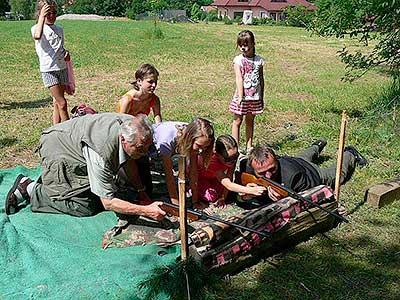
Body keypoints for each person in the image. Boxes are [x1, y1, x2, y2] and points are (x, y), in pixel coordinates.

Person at [5, 113, 166, 220]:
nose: (145, 152)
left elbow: (130, 159)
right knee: (84, 206)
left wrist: (141, 191)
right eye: (140, 148)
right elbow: (108, 203)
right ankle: (30, 188)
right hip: (58, 150)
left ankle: (54, 182)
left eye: (147, 147)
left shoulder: (134, 126)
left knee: (135, 166)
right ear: (123, 140)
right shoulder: (101, 152)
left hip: (77, 141)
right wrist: (145, 210)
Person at [240, 139, 368, 202]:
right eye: (262, 173)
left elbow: (307, 200)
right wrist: (245, 194)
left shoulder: (295, 177)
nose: (268, 175)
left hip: (313, 173)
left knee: (337, 175)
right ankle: (317, 146)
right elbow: (236, 193)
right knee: (303, 157)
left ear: (276, 160)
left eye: (272, 169)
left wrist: (283, 200)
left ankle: (350, 153)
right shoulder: (247, 165)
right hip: (295, 160)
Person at [150, 118, 215, 208]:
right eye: (199, 146)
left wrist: (195, 202)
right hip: (151, 148)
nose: (201, 150)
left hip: (174, 149)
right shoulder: (166, 141)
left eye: (205, 147)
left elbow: (194, 172)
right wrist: (177, 206)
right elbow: (169, 176)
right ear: (189, 138)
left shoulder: (197, 133)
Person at [196, 135, 266, 207]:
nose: (232, 161)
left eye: (235, 156)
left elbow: (230, 176)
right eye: (228, 159)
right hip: (201, 178)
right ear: (217, 153)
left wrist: (223, 198)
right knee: (211, 197)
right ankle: (192, 190)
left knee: (222, 194)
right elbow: (228, 184)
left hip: (216, 177)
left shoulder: (231, 158)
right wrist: (251, 190)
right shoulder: (213, 161)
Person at [31, 0, 70, 124]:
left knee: (57, 102)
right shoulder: (36, 29)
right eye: (48, 13)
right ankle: (69, 133)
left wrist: (66, 54)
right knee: (62, 103)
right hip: (49, 70)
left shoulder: (59, 29)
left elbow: (59, 47)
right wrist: (42, 16)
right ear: (40, 13)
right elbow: (37, 36)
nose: (52, 16)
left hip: (62, 68)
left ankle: (55, 129)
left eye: (54, 12)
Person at [229, 30, 265, 154]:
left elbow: (261, 79)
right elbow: (239, 78)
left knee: (250, 120)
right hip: (242, 97)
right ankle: (235, 147)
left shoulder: (259, 61)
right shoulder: (238, 60)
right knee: (237, 121)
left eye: (246, 44)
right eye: (240, 45)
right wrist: (240, 96)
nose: (243, 48)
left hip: (255, 97)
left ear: (253, 43)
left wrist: (261, 97)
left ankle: (249, 146)